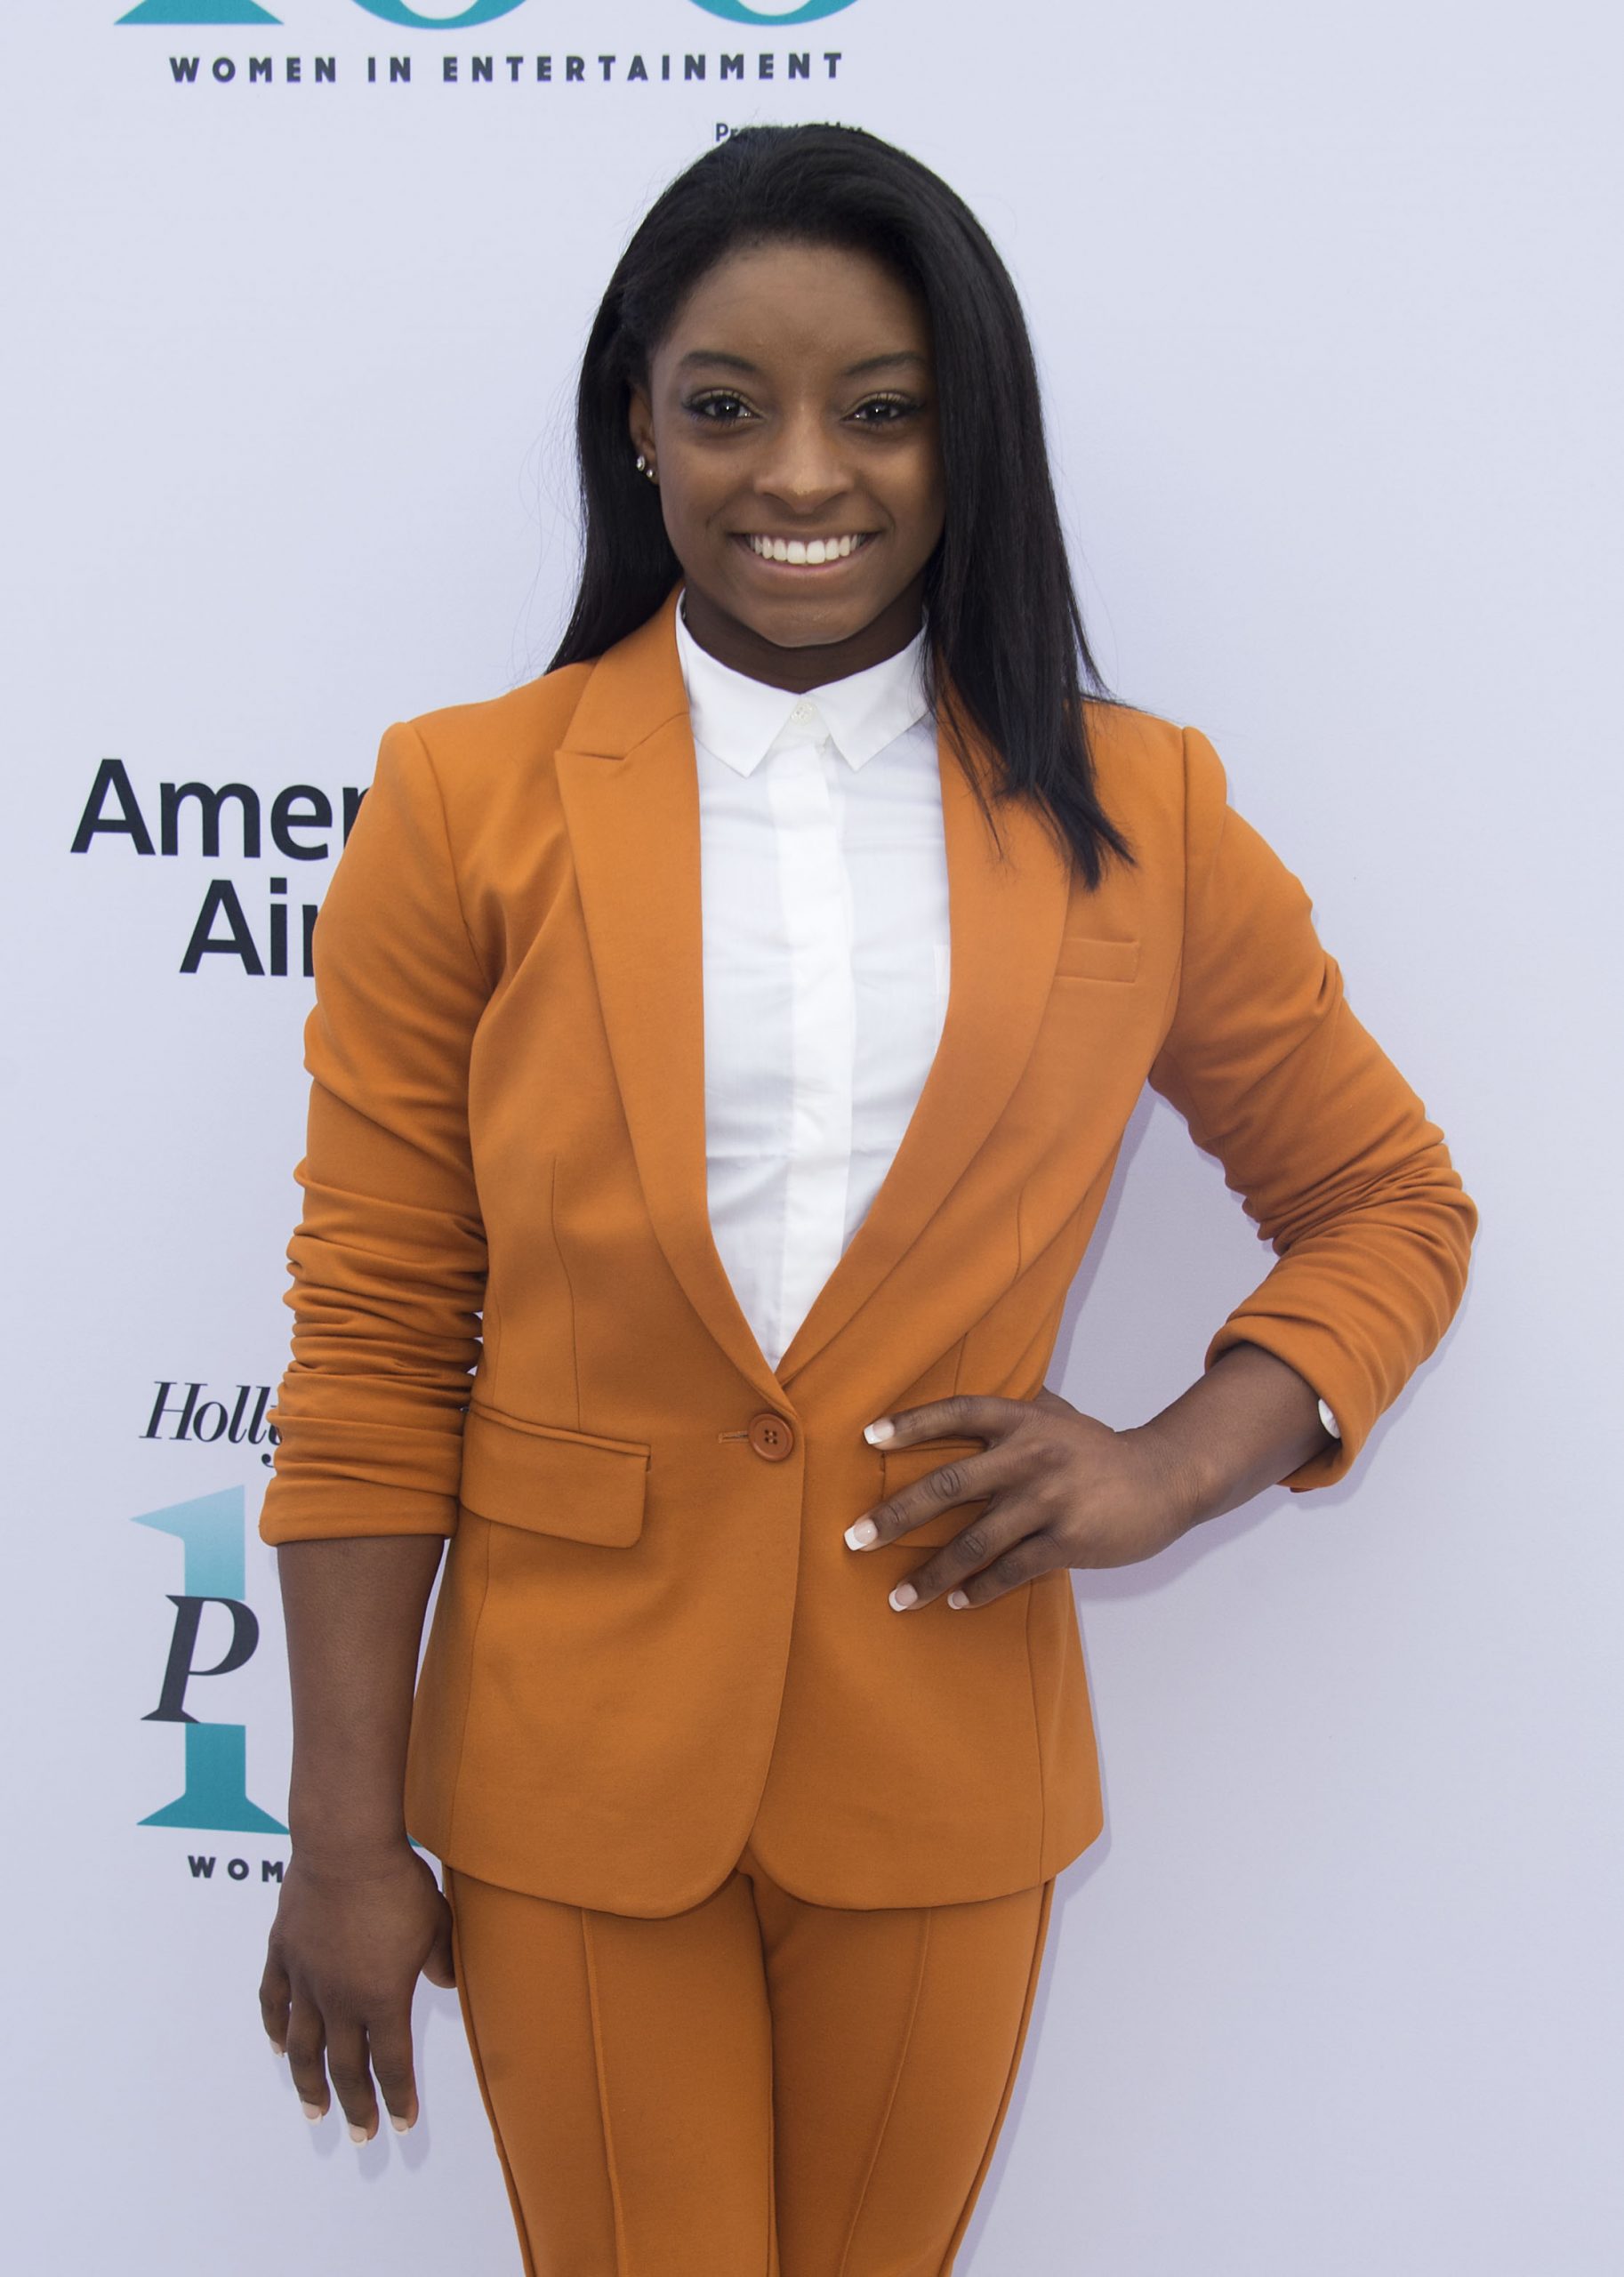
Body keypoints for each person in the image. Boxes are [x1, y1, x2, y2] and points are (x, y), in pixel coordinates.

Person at [255, 123, 1476, 2275]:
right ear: (640, 423)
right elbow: (372, 1335)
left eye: (881, 408)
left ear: (962, 434)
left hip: (942, 1727)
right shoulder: (466, 798)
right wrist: (340, 1831)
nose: (800, 473)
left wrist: (1174, 1462)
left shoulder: (1138, 809)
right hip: (567, 1749)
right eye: (727, 405)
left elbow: (1386, 1198)